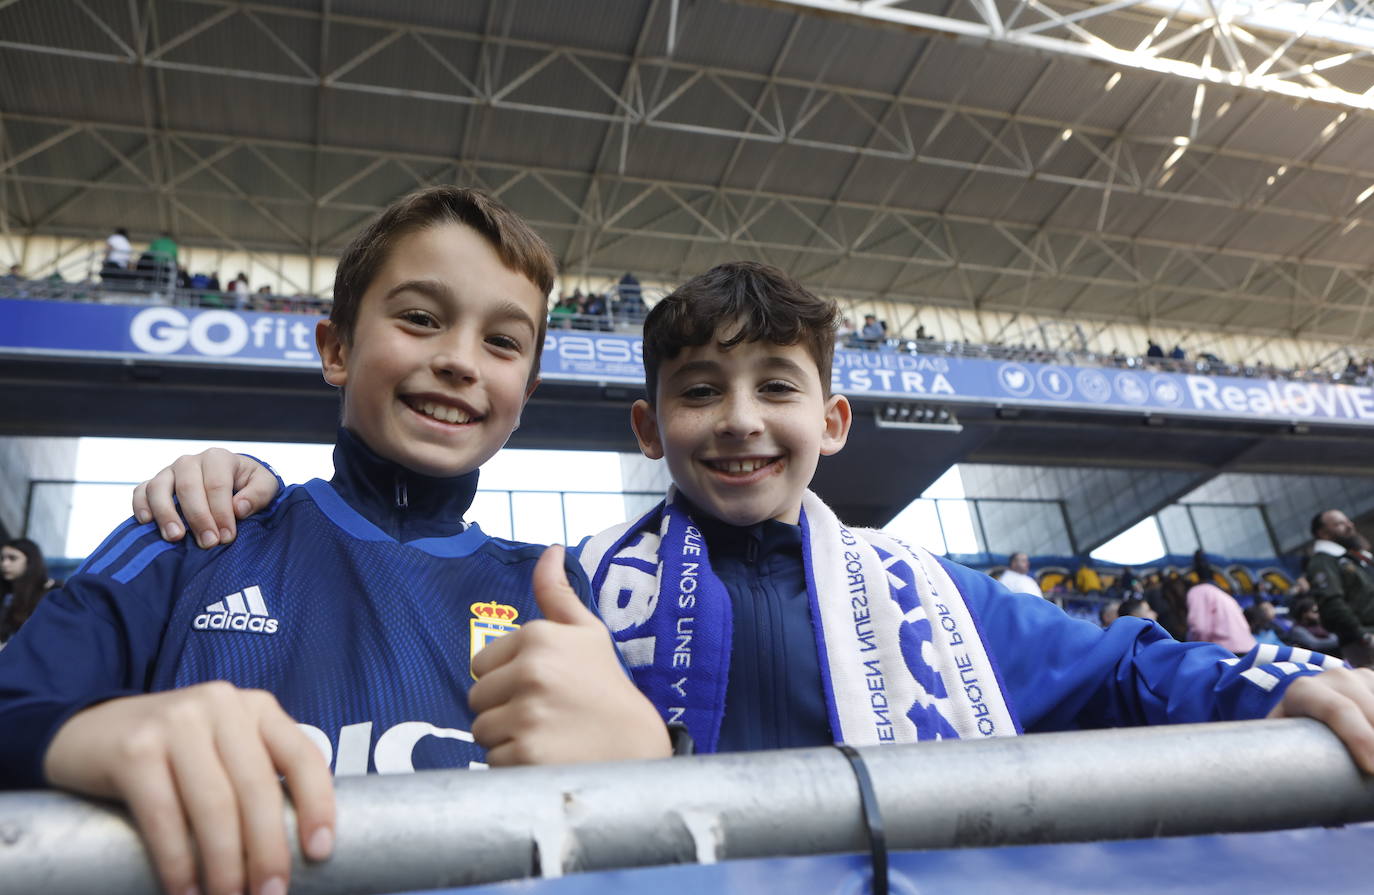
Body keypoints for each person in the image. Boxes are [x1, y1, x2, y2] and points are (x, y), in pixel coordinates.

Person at [142, 261, 1374, 768]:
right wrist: (250, 484)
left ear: (832, 422)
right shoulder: (559, 590)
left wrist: (1273, 682)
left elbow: (1125, 669)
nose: (739, 420)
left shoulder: (935, 595)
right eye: (698, 393)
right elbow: (401, 670)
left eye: (777, 388)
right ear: (647, 429)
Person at [0, 186, 668, 895]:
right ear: (337, 348)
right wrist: (91, 732)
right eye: (420, 319)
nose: (459, 360)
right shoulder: (196, 528)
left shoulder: (552, 587)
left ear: (526, 390)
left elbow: (637, 848)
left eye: (502, 341)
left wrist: (655, 765)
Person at [1306, 509, 1374, 663]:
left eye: (1348, 521)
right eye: (1339, 524)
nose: (1350, 525)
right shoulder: (1323, 562)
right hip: (1364, 641)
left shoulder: (1353, 557)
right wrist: (1362, 635)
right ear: (1323, 533)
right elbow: (1332, 603)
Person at [0, 538, 60, 646]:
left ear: (30, 561)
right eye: (2, 559)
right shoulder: (7, 594)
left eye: (12, 558)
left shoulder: (53, 592)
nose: (4, 564)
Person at [1186, 583, 1256, 655]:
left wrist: (1191, 649)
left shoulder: (1197, 591)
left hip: (1225, 651)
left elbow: (1200, 628)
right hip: (1248, 648)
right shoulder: (1223, 595)